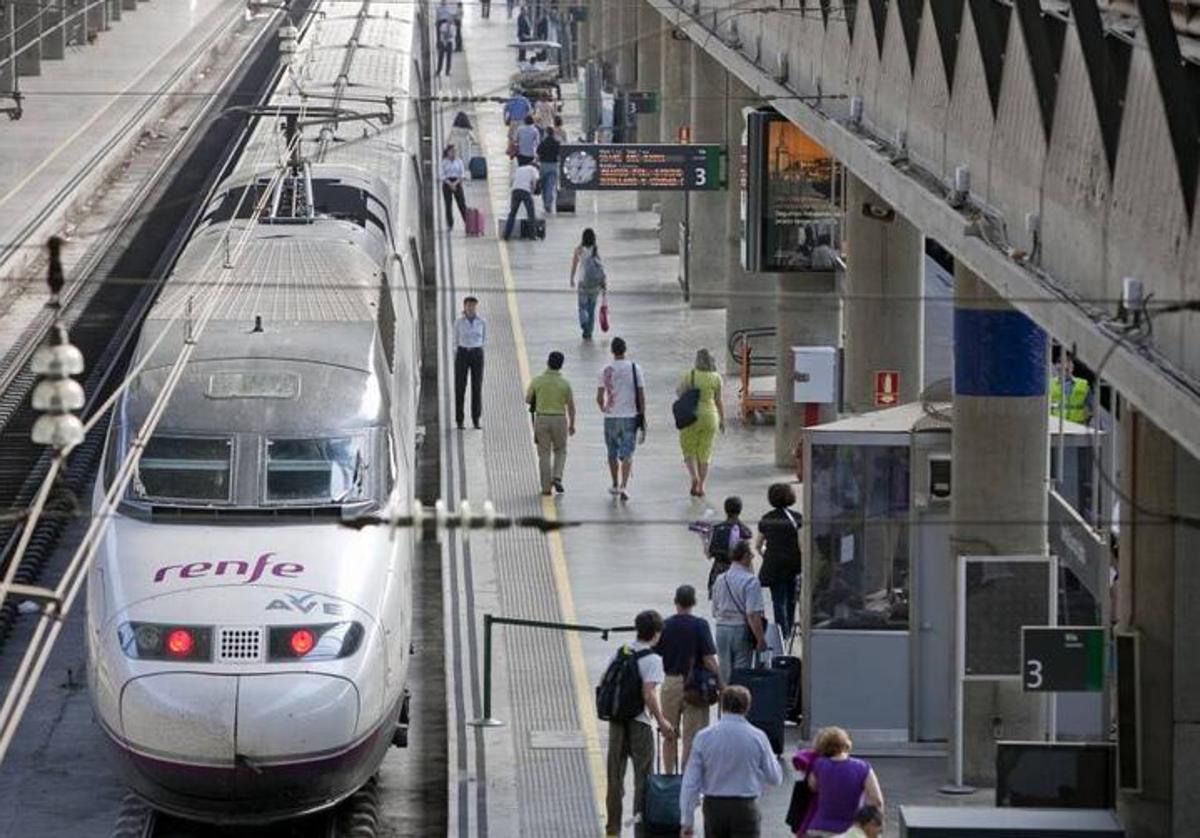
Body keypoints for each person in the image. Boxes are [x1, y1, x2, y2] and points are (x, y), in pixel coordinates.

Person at [679, 686, 783, 838]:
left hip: (714, 806)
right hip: (745, 806)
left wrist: (687, 820)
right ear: (747, 707)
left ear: (722, 705)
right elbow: (775, 778)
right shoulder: (758, 737)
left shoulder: (704, 737)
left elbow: (690, 782)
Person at [605, 610, 674, 838]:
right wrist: (662, 721)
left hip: (616, 722)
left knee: (615, 777)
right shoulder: (653, 659)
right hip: (640, 724)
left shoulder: (621, 652)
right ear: (656, 634)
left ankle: (613, 830)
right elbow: (649, 693)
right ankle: (640, 830)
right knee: (642, 780)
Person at [656, 584, 719, 773]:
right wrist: (721, 683)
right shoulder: (700, 625)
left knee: (669, 734)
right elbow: (709, 660)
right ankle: (686, 780)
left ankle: (668, 777)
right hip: (695, 687)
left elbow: (655, 652)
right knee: (692, 739)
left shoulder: (664, 625)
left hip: (670, 683)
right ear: (694, 603)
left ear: (675, 602)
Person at [803, 727, 885, 837]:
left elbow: (813, 787)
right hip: (849, 832)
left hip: (818, 830)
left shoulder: (819, 764)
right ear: (846, 744)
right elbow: (876, 801)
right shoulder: (863, 767)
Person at [596, 337, 645, 501]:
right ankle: (624, 486)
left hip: (610, 417)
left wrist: (604, 408)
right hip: (630, 416)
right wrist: (642, 414)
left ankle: (615, 483)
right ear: (625, 350)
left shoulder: (604, 370)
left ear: (612, 351)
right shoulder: (635, 368)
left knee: (612, 452)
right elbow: (641, 394)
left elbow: (599, 397)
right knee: (628, 453)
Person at [712, 541, 766, 685]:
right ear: (745, 556)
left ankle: (725, 704)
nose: (753, 557)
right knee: (741, 676)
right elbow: (752, 615)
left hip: (721, 630)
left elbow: (714, 610)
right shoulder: (751, 581)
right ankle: (738, 705)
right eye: (751, 554)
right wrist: (760, 639)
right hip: (741, 630)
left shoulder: (720, 579)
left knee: (724, 675)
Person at [755, 482, 802, 640]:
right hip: (793, 565)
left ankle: (782, 634)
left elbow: (758, 545)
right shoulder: (797, 518)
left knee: (778, 600)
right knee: (791, 600)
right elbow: (802, 545)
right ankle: (789, 630)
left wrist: (766, 555)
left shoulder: (766, 519)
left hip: (774, 566)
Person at [676, 348, 725, 498]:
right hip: (711, 417)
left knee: (689, 449)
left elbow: (679, 393)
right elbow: (719, 401)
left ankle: (694, 477)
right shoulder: (716, 378)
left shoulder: (689, 375)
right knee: (705, 451)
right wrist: (722, 420)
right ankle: (701, 486)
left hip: (691, 416)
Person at [526, 351, 576, 495]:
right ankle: (557, 476)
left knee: (544, 454)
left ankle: (546, 488)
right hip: (560, 420)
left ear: (548, 362)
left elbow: (528, 399)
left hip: (542, 419)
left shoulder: (538, 380)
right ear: (561, 366)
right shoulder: (565, 383)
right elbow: (571, 406)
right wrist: (572, 424)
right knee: (560, 450)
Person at [706, 496, 752, 598]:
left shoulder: (716, 528)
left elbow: (708, 554)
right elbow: (747, 556)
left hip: (718, 570)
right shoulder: (744, 531)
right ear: (740, 510)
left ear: (725, 509)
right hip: (737, 571)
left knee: (719, 606)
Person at [453, 296, 486, 429]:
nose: (471, 308)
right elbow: (455, 339)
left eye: (473, 305)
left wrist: (477, 349)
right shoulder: (459, 322)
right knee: (460, 387)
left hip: (477, 353)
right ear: (464, 306)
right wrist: (457, 353)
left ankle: (476, 419)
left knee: (476, 387)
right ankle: (460, 420)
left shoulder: (482, 322)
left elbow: (484, 338)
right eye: (468, 305)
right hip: (462, 353)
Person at [569, 228, 605, 339]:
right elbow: (600, 267)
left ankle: (584, 325)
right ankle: (589, 331)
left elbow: (574, 265)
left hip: (583, 282)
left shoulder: (579, 250)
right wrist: (603, 282)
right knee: (591, 308)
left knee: (582, 307)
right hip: (594, 284)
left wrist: (571, 278)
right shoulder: (595, 250)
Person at [502, 160, 539, 240]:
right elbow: (534, 183)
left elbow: (511, 182)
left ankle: (506, 235)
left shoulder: (519, 169)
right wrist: (532, 192)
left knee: (512, 214)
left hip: (515, 191)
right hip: (525, 191)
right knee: (531, 214)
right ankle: (532, 236)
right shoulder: (534, 169)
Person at [1050, 352, 1091, 424]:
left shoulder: (1083, 384)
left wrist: (1086, 420)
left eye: (1068, 362)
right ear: (1056, 366)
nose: (1065, 366)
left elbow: (1092, 408)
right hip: (1056, 426)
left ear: (1072, 366)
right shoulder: (1049, 384)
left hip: (1078, 425)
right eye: (1060, 362)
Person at [439, 145, 469, 229]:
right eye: (452, 151)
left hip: (457, 182)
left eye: (455, 151)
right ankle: (450, 224)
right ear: (448, 152)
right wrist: (450, 184)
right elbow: (442, 175)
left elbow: (462, 174)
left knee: (462, 204)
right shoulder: (444, 162)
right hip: (447, 183)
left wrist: (455, 183)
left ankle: (467, 222)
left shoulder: (459, 161)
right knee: (448, 205)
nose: (454, 153)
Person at [536, 124, 561, 212]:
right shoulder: (557, 143)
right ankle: (548, 204)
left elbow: (538, 152)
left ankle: (545, 203)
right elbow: (559, 154)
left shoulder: (543, 143)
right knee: (550, 186)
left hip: (543, 165)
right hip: (553, 165)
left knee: (543, 186)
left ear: (546, 133)